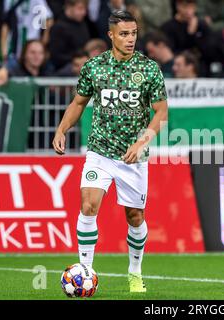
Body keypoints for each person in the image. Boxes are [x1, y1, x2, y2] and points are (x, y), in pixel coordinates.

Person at [52, 10, 168, 293]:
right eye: (125, 34)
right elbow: (78, 103)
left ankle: (135, 272)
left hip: (134, 156)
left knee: (135, 217)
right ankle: (86, 270)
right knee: (88, 206)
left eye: (134, 33)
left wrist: (141, 142)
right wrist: (61, 129)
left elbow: (161, 113)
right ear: (111, 35)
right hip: (100, 151)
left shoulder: (150, 69)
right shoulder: (94, 67)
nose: (130, 39)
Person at [0, 0, 53, 66]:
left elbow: (47, 18)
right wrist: (4, 49)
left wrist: (43, 42)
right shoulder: (8, 1)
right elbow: (5, 24)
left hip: (31, 46)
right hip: (12, 48)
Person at [48, 0, 91, 70]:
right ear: (69, 7)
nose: (84, 12)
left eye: (85, 9)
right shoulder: (58, 27)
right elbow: (56, 56)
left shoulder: (83, 24)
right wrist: (76, 60)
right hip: (65, 69)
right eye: (80, 8)